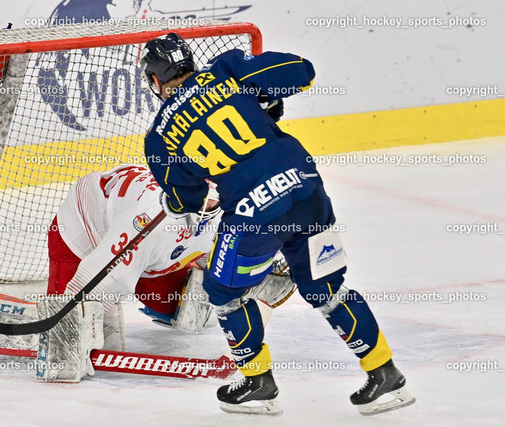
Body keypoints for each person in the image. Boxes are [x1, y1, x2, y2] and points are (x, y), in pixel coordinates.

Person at [140, 33, 415, 416]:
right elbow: (301, 72)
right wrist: (265, 98)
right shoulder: (227, 71)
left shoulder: (158, 138)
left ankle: (257, 383)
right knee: (325, 287)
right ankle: (384, 373)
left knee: (223, 295)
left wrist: (170, 199)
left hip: (255, 216)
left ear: (156, 80)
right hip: (306, 189)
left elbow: (185, 199)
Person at [47, 164, 219, 339]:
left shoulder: (230, 213)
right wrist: (68, 327)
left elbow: (223, 261)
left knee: (182, 303)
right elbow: (102, 277)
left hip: (141, 231)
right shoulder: (150, 221)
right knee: (72, 331)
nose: (205, 204)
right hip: (83, 226)